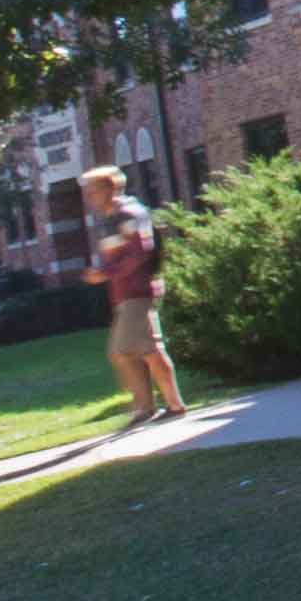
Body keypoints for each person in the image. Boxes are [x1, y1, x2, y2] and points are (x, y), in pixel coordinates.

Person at [86, 165, 185, 425]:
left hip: (137, 291)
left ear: (110, 189)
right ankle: (146, 408)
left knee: (144, 349)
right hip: (125, 294)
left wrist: (107, 273)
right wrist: (107, 273)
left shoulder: (128, 214)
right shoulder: (111, 219)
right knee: (129, 351)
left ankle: (171, 405)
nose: (90, 197)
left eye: (93, 191)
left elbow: (140, 252)